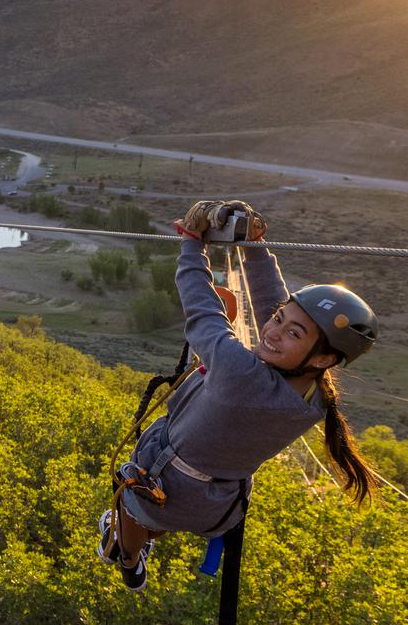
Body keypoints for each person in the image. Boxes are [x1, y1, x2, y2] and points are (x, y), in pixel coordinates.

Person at [99, 198, 378, 589]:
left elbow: (202, 310)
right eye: (280, 319)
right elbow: (272, 302)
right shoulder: (317, 398)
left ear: (324, 357)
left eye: (292, 333)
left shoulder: (240, 374)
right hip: (215, 507)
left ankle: (126, 557)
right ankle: (144, 537)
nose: (273, 331)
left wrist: (192, 243)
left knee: (130, 496)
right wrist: (255, 245)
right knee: (162, 512)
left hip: (164, 485)